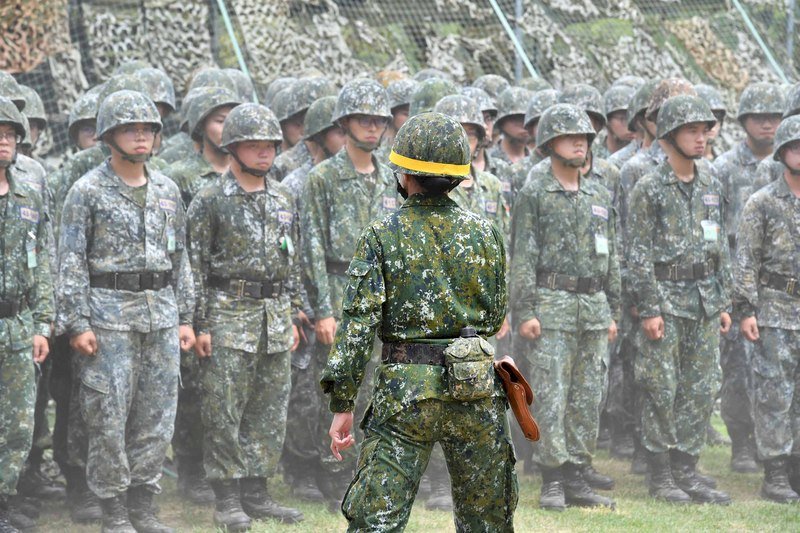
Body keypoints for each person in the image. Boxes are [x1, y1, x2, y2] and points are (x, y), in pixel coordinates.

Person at [322, 111, 517, 531]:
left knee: (378, 519)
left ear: (404, 174)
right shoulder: (486, 233)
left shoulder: (381, 234)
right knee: (487, 520)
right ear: (459, 176)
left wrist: (342, 406)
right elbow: (497, 314)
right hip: (475, 388)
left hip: (405, 393)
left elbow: (358, 326)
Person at [58, 89, 195, 533]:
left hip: (160, 315)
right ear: (108, 135)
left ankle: (143, 503)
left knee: (157, 416)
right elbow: (71, 259)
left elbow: (182, 259)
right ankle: (113, 507)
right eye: (130, 129)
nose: (141, 137)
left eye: (148, 129)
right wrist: (77, 322)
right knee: (108, 415)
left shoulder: (168, 190)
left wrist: (186, 318)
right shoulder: (87, 191)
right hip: (108, 315)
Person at [187, 103, 305, 530]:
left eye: (269, 146)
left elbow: (292, 261)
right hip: (226, 315)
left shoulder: (284, 197)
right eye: (252, 146)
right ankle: (227, 496)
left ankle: (257, 491)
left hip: (273, 317)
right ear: (232, 148)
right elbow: (195, 266)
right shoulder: (210, 200)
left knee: (269, 408)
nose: (263, 154)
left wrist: (291, 313)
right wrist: (198, 324)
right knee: (225, 409)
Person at [511, 103, 619, 511]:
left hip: (593, 306)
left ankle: (577, 473)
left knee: (588, 394)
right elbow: (522, 255)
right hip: (551, 305)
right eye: (571, 137)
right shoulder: (535, 193)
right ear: (549, 143)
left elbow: (614, 255)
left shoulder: (598, 193)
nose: (580, 143)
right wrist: (524, 311)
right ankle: (552, 477)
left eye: (586, 138)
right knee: (552, 395)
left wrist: (612, 308)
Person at [627, 94, 732, 505]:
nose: (702, 137)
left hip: (705, 299)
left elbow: (719, 244)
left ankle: (688, 467)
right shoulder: (650, 187)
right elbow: (637, 254)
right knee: (660, 386)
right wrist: (650, 309)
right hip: (666, 300)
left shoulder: (711, 183)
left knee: (701, 386)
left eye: (705, 130)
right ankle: (661, 473)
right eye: (692, 130)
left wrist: (722, 302)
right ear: (669, 135)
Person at [301, 78, 399, 510]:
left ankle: (371, 474)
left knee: (379, 387)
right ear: (343, 123)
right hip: (340, 291)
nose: (373, 128)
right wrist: (323, 310)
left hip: (384, 295)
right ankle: (331, 473)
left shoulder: (394, 179)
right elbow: (312, 250)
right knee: (338, 387)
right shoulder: (322, 179)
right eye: (364, 119)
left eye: (379, 120)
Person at [712, 81, 785, 473]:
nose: (767, 124)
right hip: (735, 274)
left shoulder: (789, 162)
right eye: (759, 116)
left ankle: (779, 447)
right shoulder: (723, 168)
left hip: (777, 279)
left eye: (774, 116)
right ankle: (742, 442)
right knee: (737, 366)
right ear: (744, 121)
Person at [734, 115, 800, 503]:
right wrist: (746, 310)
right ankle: (774, 472)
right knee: (775, 394)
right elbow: (746, 259)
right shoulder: (762, 203)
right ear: (782, 154)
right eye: (794, 146)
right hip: (774, 311)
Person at [0, 96, 54, 533]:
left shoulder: (29, 194)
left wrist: (41, 324)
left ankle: (5, 498)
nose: (4, 140)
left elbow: (43, 264)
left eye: (10, 133)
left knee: (18, 423)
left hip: (17, 324)